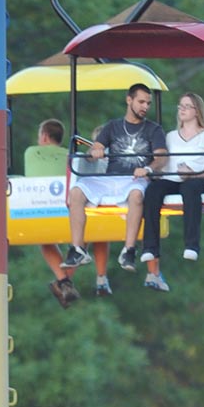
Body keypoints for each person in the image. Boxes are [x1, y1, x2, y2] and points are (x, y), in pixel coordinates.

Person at [60, 84, 167, 277]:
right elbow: (95, 149)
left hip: (135, 177)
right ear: (129, 100)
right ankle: (77, 248)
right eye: (141, 102)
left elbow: (161, 157)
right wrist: (96, 151)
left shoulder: (154, 129)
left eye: (148, 103)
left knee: (136, 195)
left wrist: (148, 168)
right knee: (76, 191)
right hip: (110, 177)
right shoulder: (112, 126)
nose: (145, 107)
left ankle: (129, 250)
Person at [29, 119, 112, 307]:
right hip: (75, 208)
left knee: (46, 239)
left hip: (41, 207)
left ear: (43, 137)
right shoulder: (73, 158)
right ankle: (98, 278)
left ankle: (63, 281)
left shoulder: (31, 153)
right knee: (88, 235)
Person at [139, 92, 204, 291]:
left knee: (190, 189)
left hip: (198, 179)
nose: (181, 109)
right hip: (173, 177)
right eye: (180, 106)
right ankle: (150, 247)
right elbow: (164, 164)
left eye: (186, 106)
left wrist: (193, 173)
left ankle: (192, 245)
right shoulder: (171, 137)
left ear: (197, 111)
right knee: (154, 190)